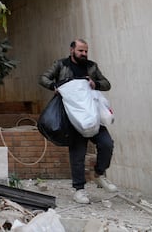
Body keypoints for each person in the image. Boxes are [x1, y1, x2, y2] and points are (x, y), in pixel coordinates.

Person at [39, 38, 117, 204]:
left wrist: (94, 83)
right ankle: (79, 190)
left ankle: (98, 173)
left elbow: (107, 84)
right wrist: (56, 87)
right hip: (72, 117)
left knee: (106, 144)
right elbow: (44, 78)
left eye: (86, 51)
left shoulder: (91, 66)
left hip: (93, 115)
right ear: (72, 50)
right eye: (81, 50)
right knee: (78, 154)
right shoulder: (61, 65)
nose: (84, 54)